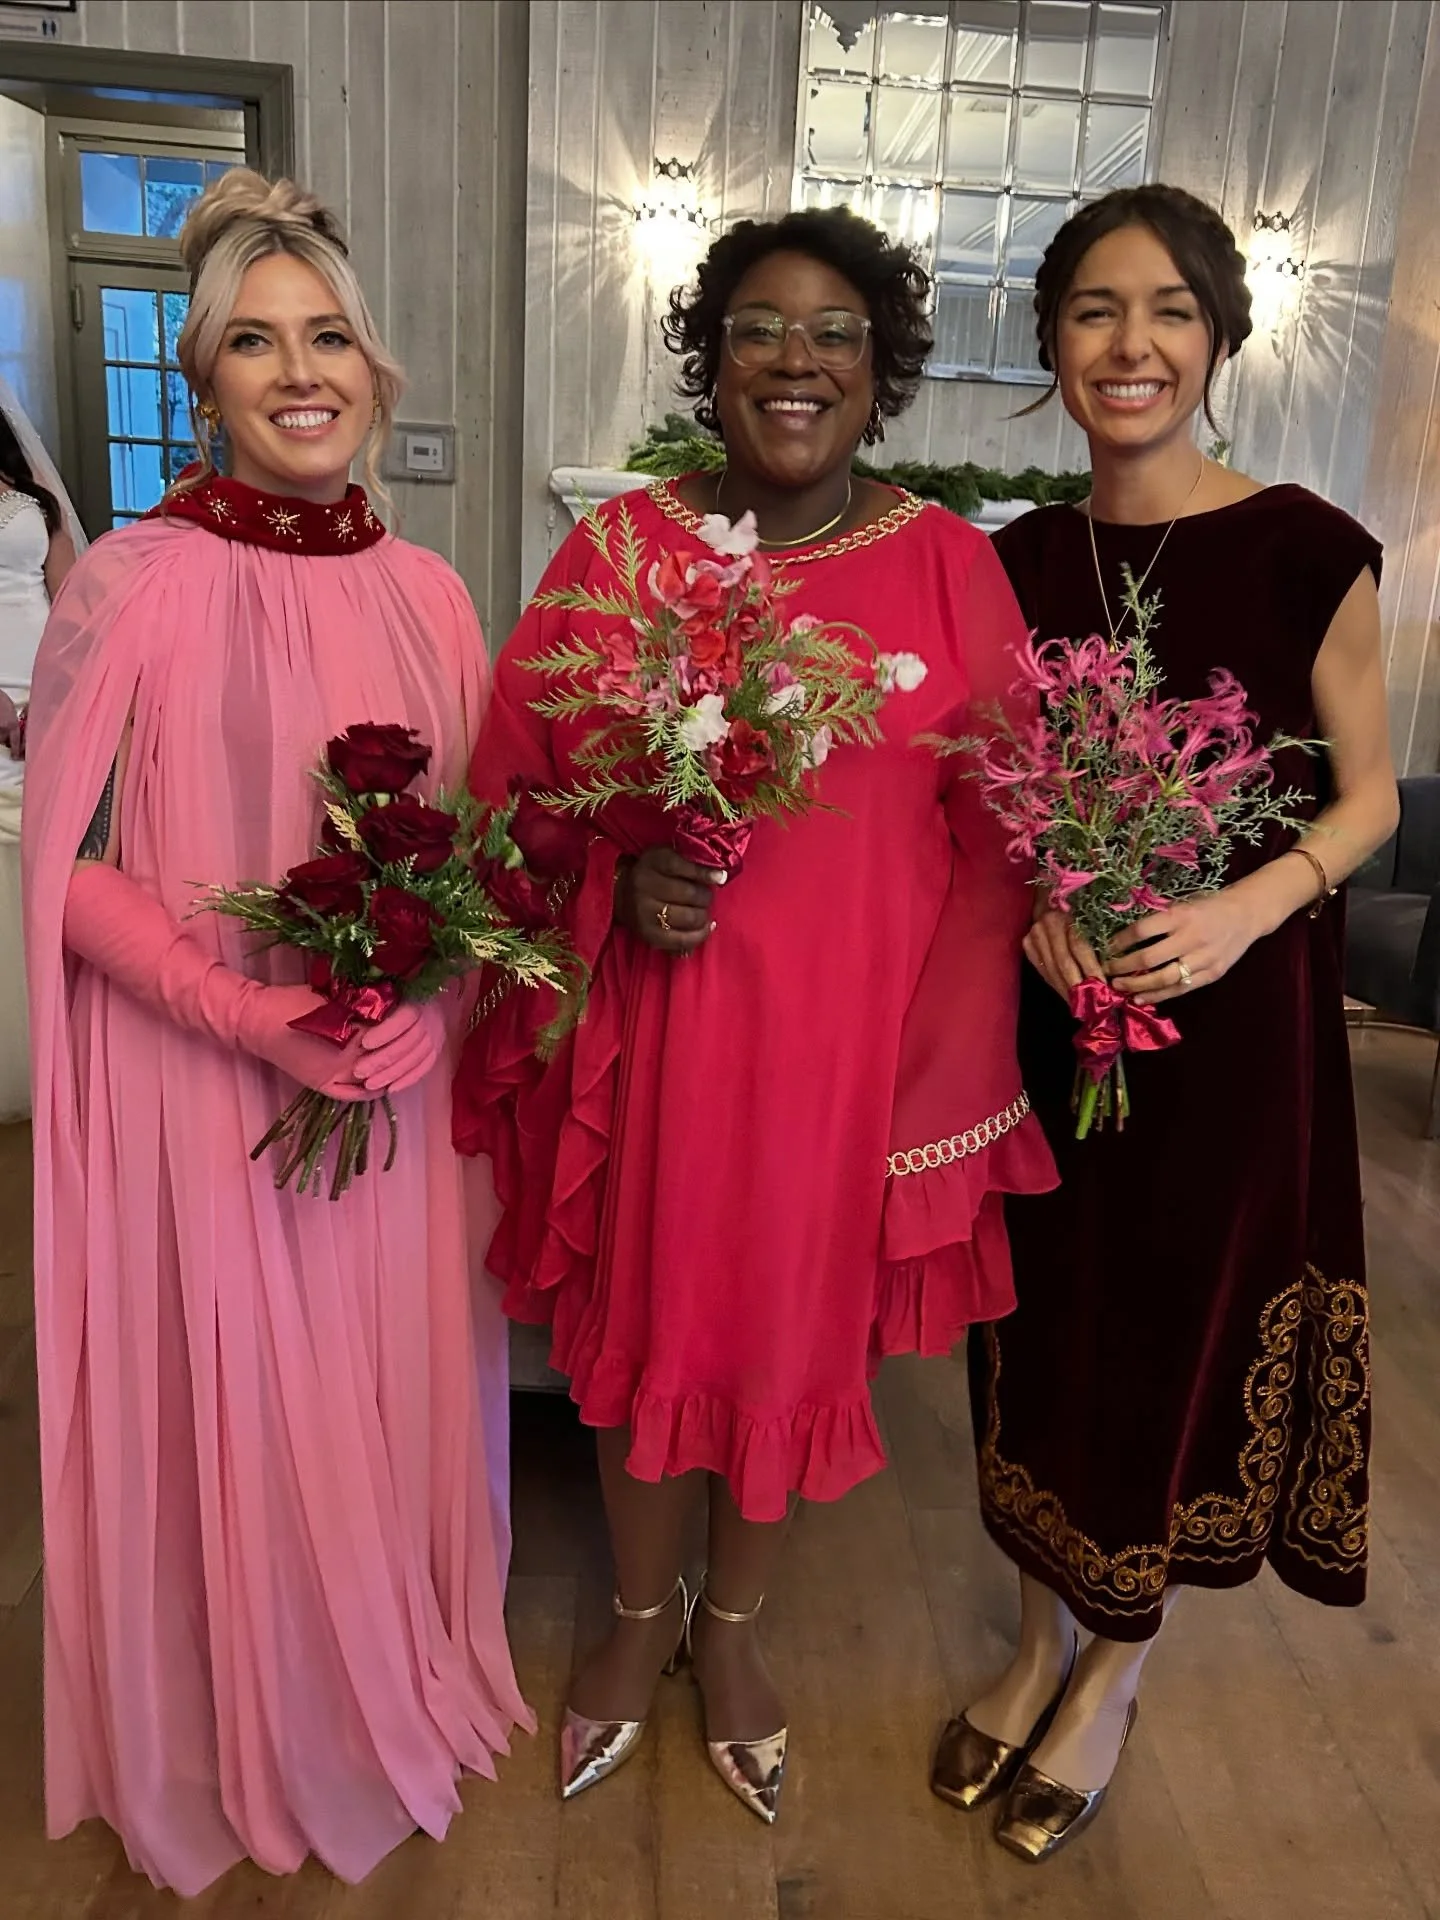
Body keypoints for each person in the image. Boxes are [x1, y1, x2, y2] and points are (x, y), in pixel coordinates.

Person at [454, 208, 1055, 1823]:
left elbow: (1004, 845)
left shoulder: (945, 567)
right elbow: (519, 790)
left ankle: (730, 1637)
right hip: (662, 1042)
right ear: (711, 362)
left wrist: (927, 1086)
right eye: (760, 332)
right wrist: (622, 862)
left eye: (837, 334)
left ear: (882, 372)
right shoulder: (624, 552)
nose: (797, 361)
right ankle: (634, 1621)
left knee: (792, 1340)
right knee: (645, 1330)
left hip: (844, 1066)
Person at [21, 169, 531, 1896]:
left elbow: (470, 853)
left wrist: (426, 994)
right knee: (230, 1390)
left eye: (327, 337)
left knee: (374, 1394)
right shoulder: (135, 583)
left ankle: (375, 1663)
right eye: (255, 342)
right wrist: (254, 1016)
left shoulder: (435, 595)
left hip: (389, 1084)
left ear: (374, 372)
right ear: (206, 382)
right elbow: (67, 876)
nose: (300, 372)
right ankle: (235, 1706)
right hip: (198, 1081)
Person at [929, 184, 1399, 1863]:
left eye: (1169, 311)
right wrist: (1044, 902)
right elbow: (991, 800)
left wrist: (1241, 909)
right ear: (1050, 341)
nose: (1131, 346)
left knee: (1179, 1332)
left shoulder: (1305, 548)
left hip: (1231, 1021)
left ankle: (1115, 1665)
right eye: (1094, 312)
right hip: (1054, 1028)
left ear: (1218, 337)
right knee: (1048, 1325)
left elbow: (1365, 803)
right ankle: (1039, 1631)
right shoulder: (1015, 563)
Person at [0, 387, 82, 1118]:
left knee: (49, 867)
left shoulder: (29, 495)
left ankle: (55, 1047)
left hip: (42, 699)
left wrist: (52, 698)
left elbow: (72, 607)